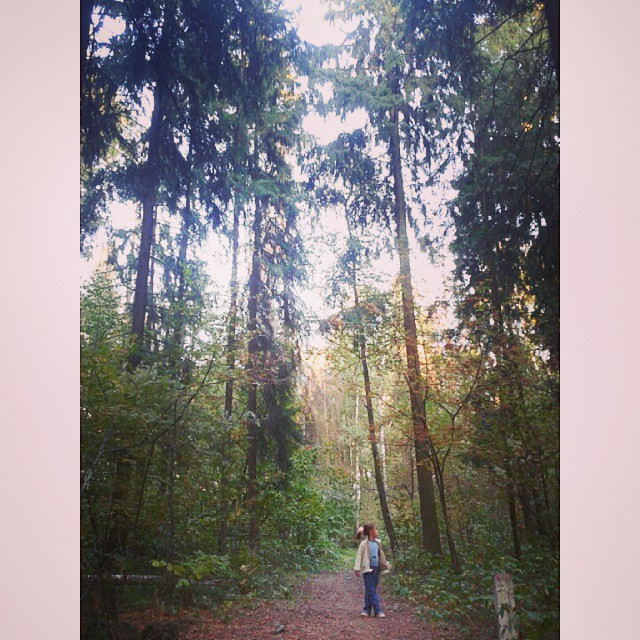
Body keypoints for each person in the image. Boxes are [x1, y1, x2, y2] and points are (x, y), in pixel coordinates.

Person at [353, 522, 389, 618]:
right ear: (370, 531)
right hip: (367, 569)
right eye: (375, 529)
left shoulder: (377, 543)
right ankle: (378, 610)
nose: (376, 531)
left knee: (370, 590)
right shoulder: (364, 544)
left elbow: (381, 555)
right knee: (371, 590)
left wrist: (385, 564)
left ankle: (366, 610)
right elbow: (359, 556)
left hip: (376, 569)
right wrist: (356, 568)